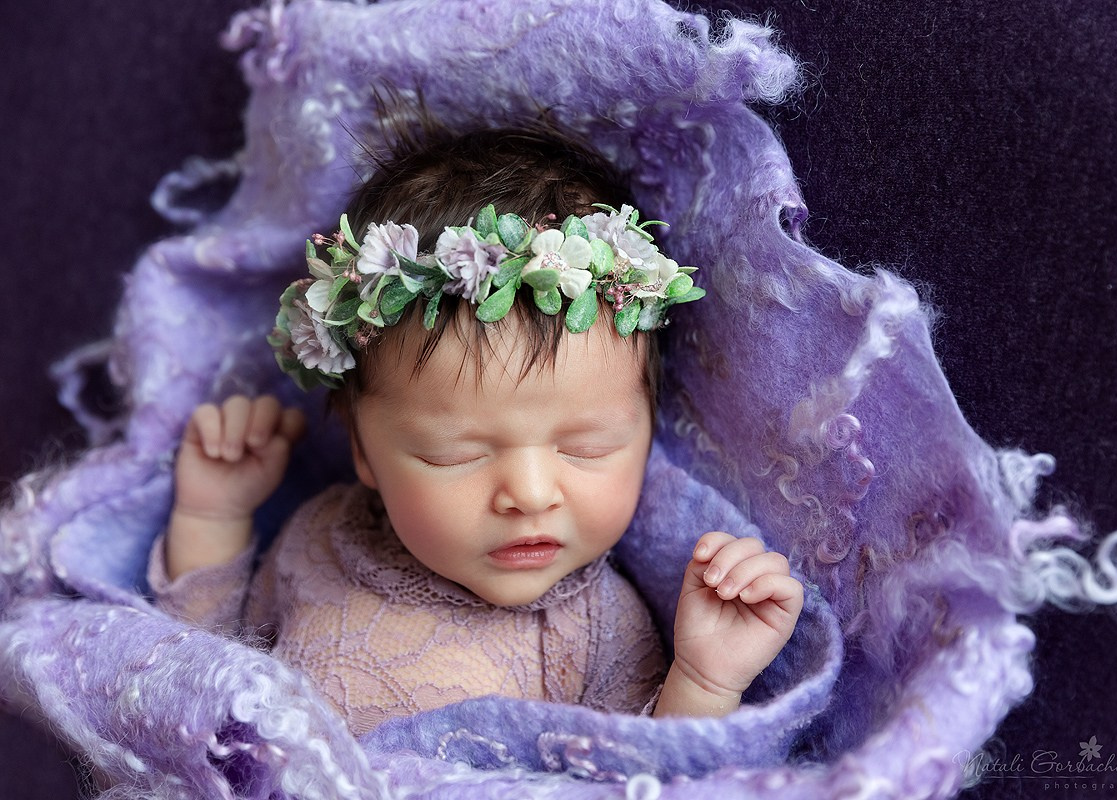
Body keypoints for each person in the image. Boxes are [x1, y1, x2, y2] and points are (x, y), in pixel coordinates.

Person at [150, 122, 804, 735]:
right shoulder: (318, 541)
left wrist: (702, 680)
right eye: (453, 454)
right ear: (363, 451)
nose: (529, 493)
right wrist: (213, 517)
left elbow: (647, 774)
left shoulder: (602, 624)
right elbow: (200, 674)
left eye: (587, 447)